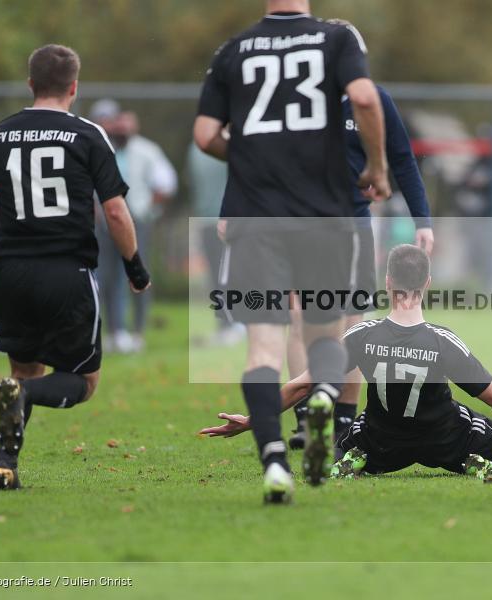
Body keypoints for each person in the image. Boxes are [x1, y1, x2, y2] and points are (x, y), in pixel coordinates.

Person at [193, 0, 391, 503]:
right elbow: (365, 99)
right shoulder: (337, 39)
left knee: (264, 348)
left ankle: (275, 463)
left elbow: (204, 136)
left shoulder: (233, 50)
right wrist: (377, 166)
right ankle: (324, 397)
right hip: (325, 219)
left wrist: (255, 155)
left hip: (258, 222)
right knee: (327, 333)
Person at [201, 245, 492, 481]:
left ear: (389, 283)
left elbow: (303, 385)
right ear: (427, 284)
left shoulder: (361, 336)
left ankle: (348, 459)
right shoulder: (443, 342)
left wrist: (253, 421)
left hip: (382, 441)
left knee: (352, 428)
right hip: (447, 439)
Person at [0, 44, 151, 490]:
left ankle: (6, 463)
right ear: (74, 87)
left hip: (10, 273)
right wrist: (135, 267)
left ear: (31, 84)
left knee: (23, 368)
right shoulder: (87, 135)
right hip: (66, 273)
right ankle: (23, 398)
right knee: (83, 381)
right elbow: (117, 213)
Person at [287, 81, 434, 452]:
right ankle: (306, 418)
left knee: (354, 323)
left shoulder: (374, 98)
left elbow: (401, 157)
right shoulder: (297, 94)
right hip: (298, 221)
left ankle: (343, 422)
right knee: (300, 316)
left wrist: (423, 220)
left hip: (352, 224)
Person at [95, 109, 176, 353]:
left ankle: (137, 330)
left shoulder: (147, 151)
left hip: (135, 219)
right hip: (106, 222)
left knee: (137, 274)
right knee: (108, 276)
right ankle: (116, 331)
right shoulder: (105, 149)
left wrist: (148, 211)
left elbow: (166, 183)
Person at [187, 142, 244, 346]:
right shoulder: (201, 147)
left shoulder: (205, 146)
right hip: (211, 220)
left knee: (226, 275)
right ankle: (228, 324)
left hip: (224, 220)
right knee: (220, 276)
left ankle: (234, 324)